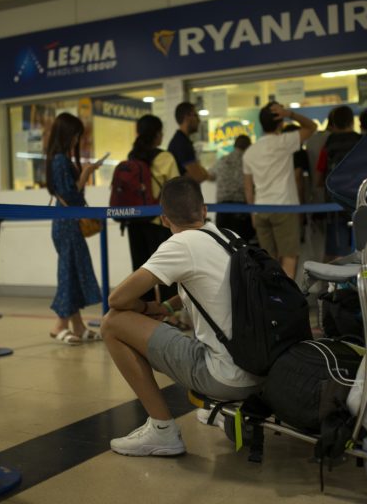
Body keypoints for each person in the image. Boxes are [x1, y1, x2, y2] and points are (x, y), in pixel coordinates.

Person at [101, 177, 262, 457]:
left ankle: (162, 431)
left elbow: (118, 299)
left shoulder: (180, 245)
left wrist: (145, 310)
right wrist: (167, 308)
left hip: (224, 377)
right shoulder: (228, 237)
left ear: (164, 219)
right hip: (260, 371)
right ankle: (219, 406)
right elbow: (211, 291)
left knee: (112, 323)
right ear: (204, 210)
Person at [45, 112, 103, 345]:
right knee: (69, 273)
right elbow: (71, 194)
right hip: (67, 224)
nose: (77, 140)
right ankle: (60, 324)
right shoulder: (60, 160)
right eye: (76, 135)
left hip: (67, 224)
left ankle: (77, 325)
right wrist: (87, 173)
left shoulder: (59, 159)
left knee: (75, 272)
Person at [243, 102, 317, 279]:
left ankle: (272, 300)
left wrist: (253, 213)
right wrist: (290, 113)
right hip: (285, 208)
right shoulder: (285, 141)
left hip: (261, 211)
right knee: (289, 257)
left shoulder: (249, 152)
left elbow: (248, 188)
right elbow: (312, 126)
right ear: (281, 122)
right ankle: (286, 300)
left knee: (268, 260)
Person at [124, 114, 180, 302]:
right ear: (157, 134)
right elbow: (175, 188)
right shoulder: (165, 157)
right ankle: (169, 315)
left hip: (134, 222)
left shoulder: (132, 158)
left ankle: (144, 314)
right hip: (158, 222)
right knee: (165, 271)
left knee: (141, 271)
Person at [316, 106, 362, 261]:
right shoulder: (360, 141)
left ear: (333, 124)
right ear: (351, 121)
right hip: (358, 201)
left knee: (334, 251)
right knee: (362, 247)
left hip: (334, 204)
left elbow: (320, 174)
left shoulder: (328, 143)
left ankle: (331, 282)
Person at [208, 134, 256, 243]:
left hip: (222, 209)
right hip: (242, 211)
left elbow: (210, 176)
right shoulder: (249, 162)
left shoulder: (223, 160)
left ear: (234, 145)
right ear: (249, 147)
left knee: (224, 246)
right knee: (242, 248)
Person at [167, 102, 210, 182]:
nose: (199, 120)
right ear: (187, 117)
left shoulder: (182, 140)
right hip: (181, 193)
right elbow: (199, 176)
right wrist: (203, 173)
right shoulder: (181, 143)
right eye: (196, 116)